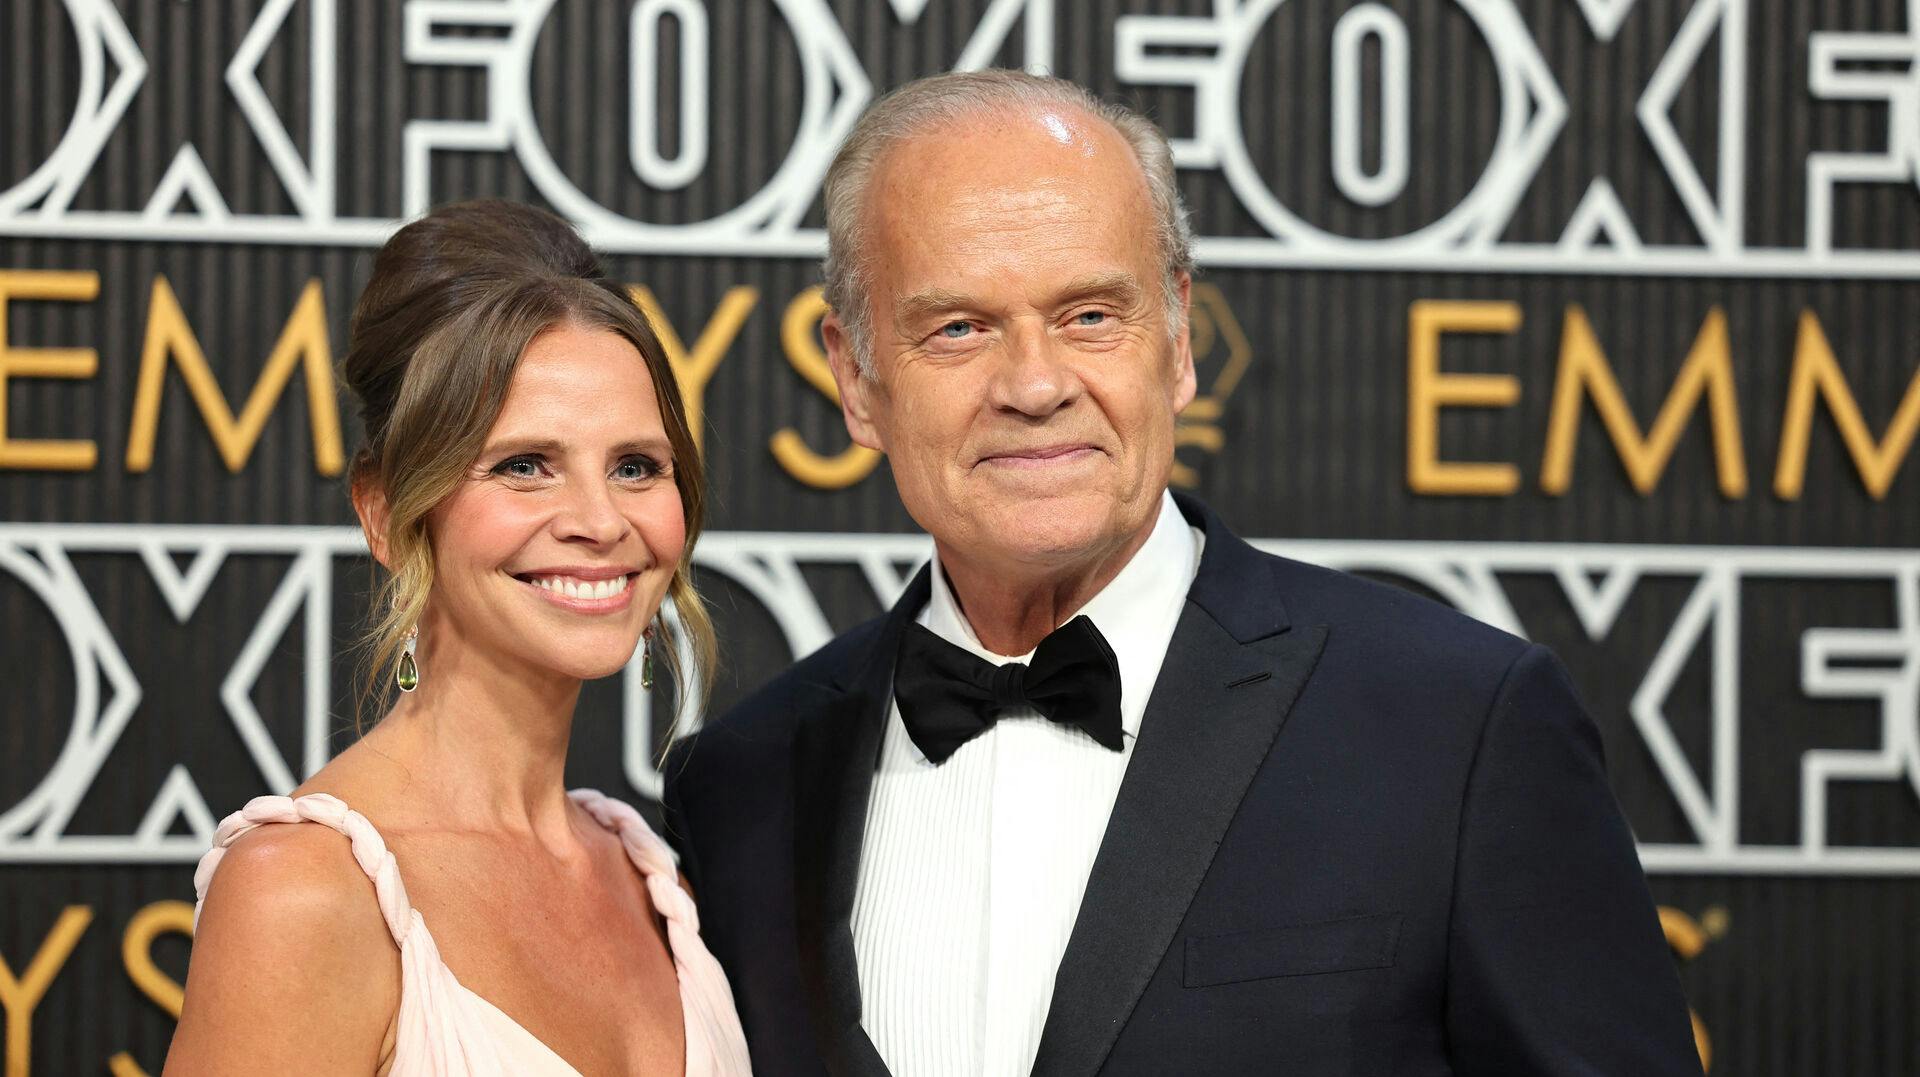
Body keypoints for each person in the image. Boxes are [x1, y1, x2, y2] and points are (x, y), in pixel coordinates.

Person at [662, 71, 1702, 1076]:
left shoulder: (1461, 728)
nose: (1034, 385)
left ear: (1177, 339)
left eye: (1090, 316)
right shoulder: (744, 786)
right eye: (960, 328)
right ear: (855, 379)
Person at [167, 201, 751, 1076]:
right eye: (524, 465)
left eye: (636, 466)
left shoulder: (651, 875)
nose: (600, 520)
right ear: (386, 508)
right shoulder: (301, 890)